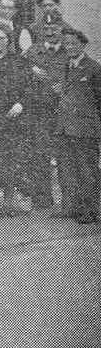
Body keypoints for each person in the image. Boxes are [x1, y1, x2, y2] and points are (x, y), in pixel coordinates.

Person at [54, 28, 101, 224]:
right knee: (67, 170)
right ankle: (72, 207)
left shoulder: (94, 68)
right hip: (65, 128)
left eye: (74, 44)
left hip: (85, 130)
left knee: (87, 171)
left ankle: (92, 210)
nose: (70, 47)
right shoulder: (65, 66)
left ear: (83, 45)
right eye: (67, 44)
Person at [23, 11, 69, 210]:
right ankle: (42, 200)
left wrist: (50, 78)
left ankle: (70, 200)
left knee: (64, 156)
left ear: (61, 29)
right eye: (46, 28)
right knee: (40, 155)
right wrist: (30, 69)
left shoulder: (69, 51)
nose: (50, 32)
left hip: (61, 112)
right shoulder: (33, 52)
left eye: (54, 28)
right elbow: (22, 78)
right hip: (39, 112)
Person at [0, 27, 32, 216]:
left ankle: (8, 202)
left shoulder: (19, 61)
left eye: (1, 38)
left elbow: (30, 86)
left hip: (12, 117)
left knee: (10, 159)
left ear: (8, 40)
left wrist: (21, 103)